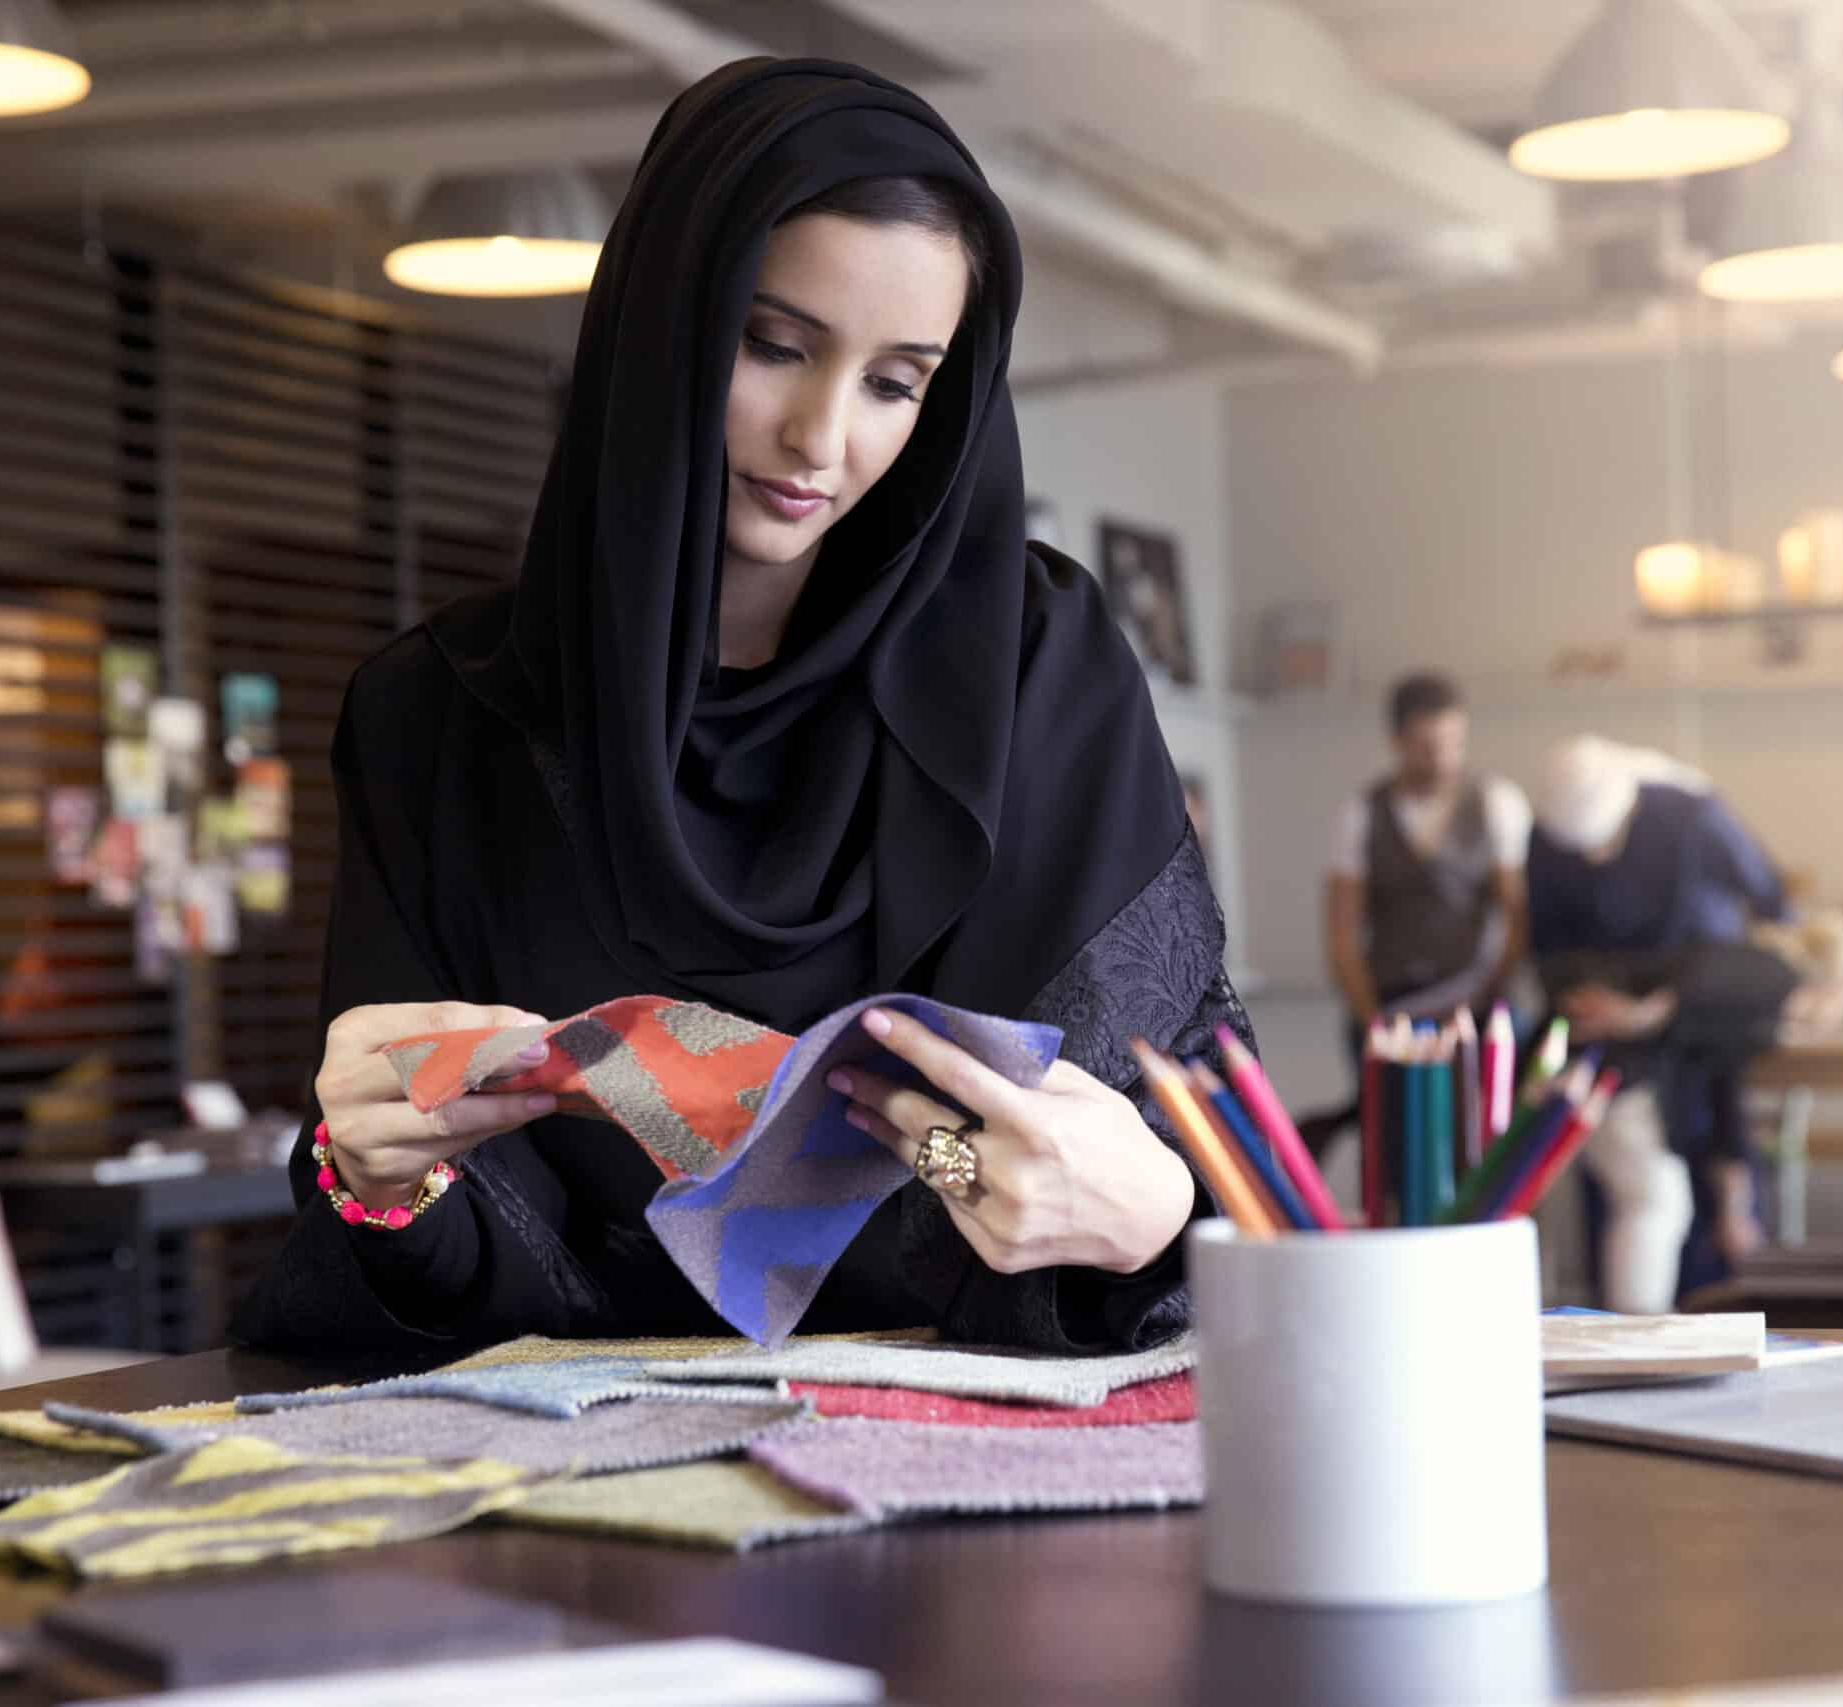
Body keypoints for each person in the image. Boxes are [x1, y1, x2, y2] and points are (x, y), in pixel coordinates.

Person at [231, 58, 1240, 1363]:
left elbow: (1164, 1157)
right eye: (775, 346)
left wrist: (1160, 1206)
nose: (824, 436)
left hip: (989, 1472)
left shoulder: (1042, 679)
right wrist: (383, 1177)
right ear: (664, 326)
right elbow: (423, 1212)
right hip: (569, 1495)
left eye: (897, 381)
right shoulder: (439, 726)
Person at [1525, 736, 1791, 1312]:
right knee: (1643, 1198)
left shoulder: (1694, 815)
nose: (1594, 864)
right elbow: (1544, 949)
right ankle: (1632, 1338)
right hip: (1612, 1049)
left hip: (1691, 1024)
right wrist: (1590, 1004)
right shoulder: (1545, 839)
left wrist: (1661, 1009)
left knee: (1686, 1196)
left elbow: (1773, 904)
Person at [1323, 673, 1531, 1039]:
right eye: (1427, 746)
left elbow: (1515, 916)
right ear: (1396, 741)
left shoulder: (1498, 803)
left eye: (1454, 742)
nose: (1442, 758)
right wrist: (1372, 1021)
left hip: (1476, 1001)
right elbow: (1342, 935)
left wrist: (1488, 995)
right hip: (1391, 1003)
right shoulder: (1359, 816)